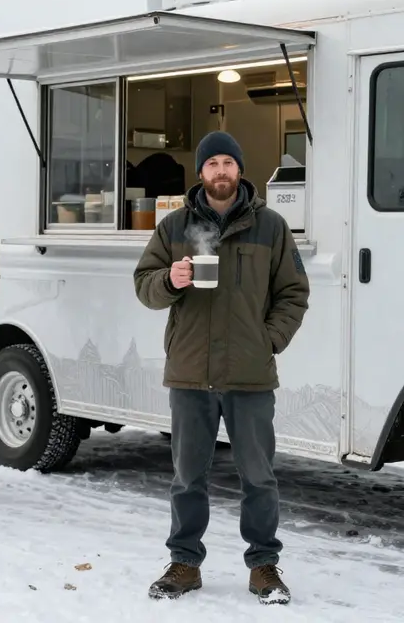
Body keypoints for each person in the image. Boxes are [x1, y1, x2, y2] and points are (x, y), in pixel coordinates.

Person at [133, 131, 310, 606]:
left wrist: (267, 340)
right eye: (212, 164)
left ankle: (264, 566)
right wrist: (169, 280)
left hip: (250, 375)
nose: (220, 172)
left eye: (228, 163)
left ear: (240, 170)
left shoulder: (272, 227)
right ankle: (185, 563)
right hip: (190, 372)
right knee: (187, 476)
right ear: (201, 172)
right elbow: (143, 285)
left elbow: (294, 293)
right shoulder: (173, 227)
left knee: (259, 477)